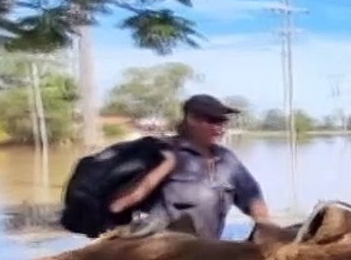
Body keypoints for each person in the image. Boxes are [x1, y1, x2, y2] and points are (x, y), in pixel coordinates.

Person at [111, 94, 270, 239]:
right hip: (159, 250)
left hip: (205, 252)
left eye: (222, 122)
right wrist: (165, 167)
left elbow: (252, 197)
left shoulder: (228, 159)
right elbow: (124, 201)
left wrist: (266, 231)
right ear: (191, 119)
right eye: (212, 121)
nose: (218, 128)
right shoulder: (162, 151)